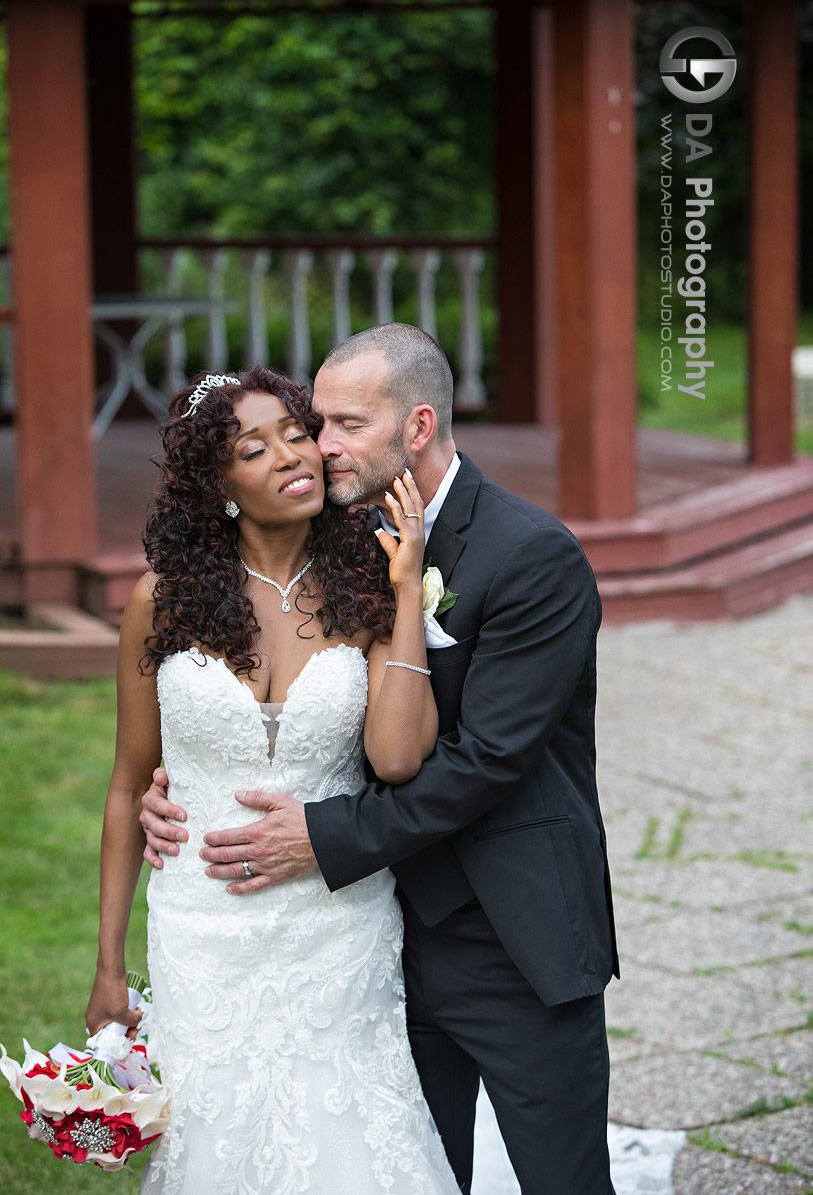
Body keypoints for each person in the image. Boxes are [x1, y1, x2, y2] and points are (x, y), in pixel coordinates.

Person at [143, 324, 620, 1195]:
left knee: (563, 1178)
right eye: (311, 422)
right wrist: (173, 785)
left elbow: (485, 761)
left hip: (506, 932)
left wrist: (319, 835)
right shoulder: (344, 547)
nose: (317, 447)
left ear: (417, 427)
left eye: (342, 424)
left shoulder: (532, 555)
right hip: (371, 941)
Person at [85, 365, 461, 1195]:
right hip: (199, 923)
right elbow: (126, 783)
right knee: (214, 1134)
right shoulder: (163, 601)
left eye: (297, 433)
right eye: (253, 448)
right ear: (217, 484)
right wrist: (109, 963)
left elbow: (399, 758)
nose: (292, 456)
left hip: (338, 922)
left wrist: (405, 593)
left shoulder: (368, 583)